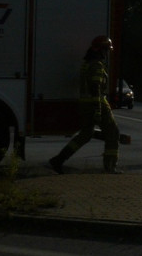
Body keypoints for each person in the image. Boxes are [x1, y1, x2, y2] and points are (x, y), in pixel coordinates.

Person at [49, 36, 122, 174]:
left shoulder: (87, 64)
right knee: (113, 133)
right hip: (97, 103)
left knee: (85, 134)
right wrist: (99, 110)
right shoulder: (97, 65)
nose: (107, 54)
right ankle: (110, 167)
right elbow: (95, 87)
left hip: (84, 105)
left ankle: (58, 160)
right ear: (101, 50)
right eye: (106, 50)